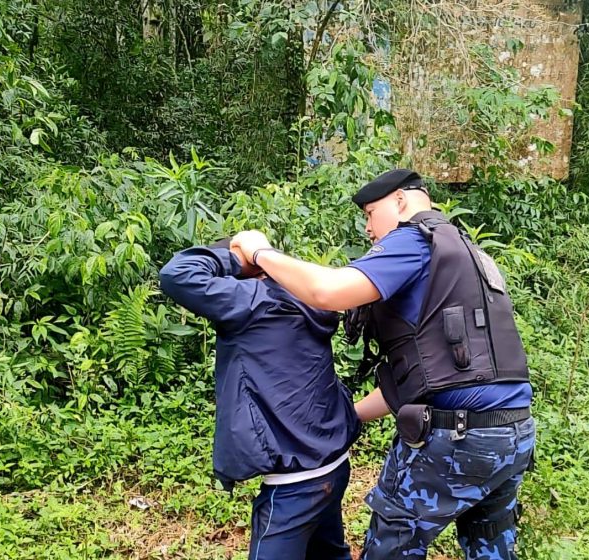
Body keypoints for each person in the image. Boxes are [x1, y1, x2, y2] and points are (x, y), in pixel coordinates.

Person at [231, 168, 536, 560]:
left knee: (391, 545)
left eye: (370, 213)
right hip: (514, 435)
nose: (368, 229)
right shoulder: (469, 253)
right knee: (490, 543)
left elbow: (327, 291)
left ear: (401, 201)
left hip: (455, 436)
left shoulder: (413, 240)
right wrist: (348, 417)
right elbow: (434, 377)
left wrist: (261, 252)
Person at [159, 238, 361, 560]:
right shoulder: (305, 297)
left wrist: (243, 259)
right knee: (330, 553)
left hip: (293, 483)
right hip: (333, 464)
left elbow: (177, 273)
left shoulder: (253, 301)